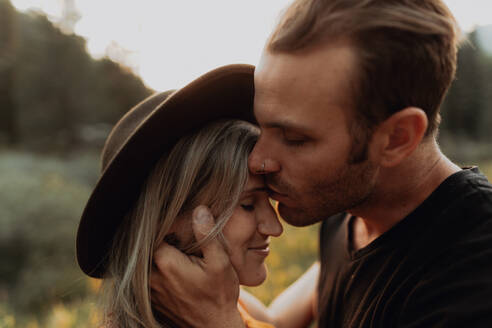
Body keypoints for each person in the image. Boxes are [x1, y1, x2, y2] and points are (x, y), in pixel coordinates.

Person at [150, 0, 492, 327]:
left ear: (397, 137)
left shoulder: (473, 272)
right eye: (261, 126)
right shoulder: (351, 217)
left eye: (295, 139)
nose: (257, 160)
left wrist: (217, 323)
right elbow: (276, 321)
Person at [75, 64, 305, 327]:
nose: (275, 227)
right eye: (248, 205)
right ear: (165, 223)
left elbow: (275, 320)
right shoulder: (221, 311)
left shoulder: (234, 305)